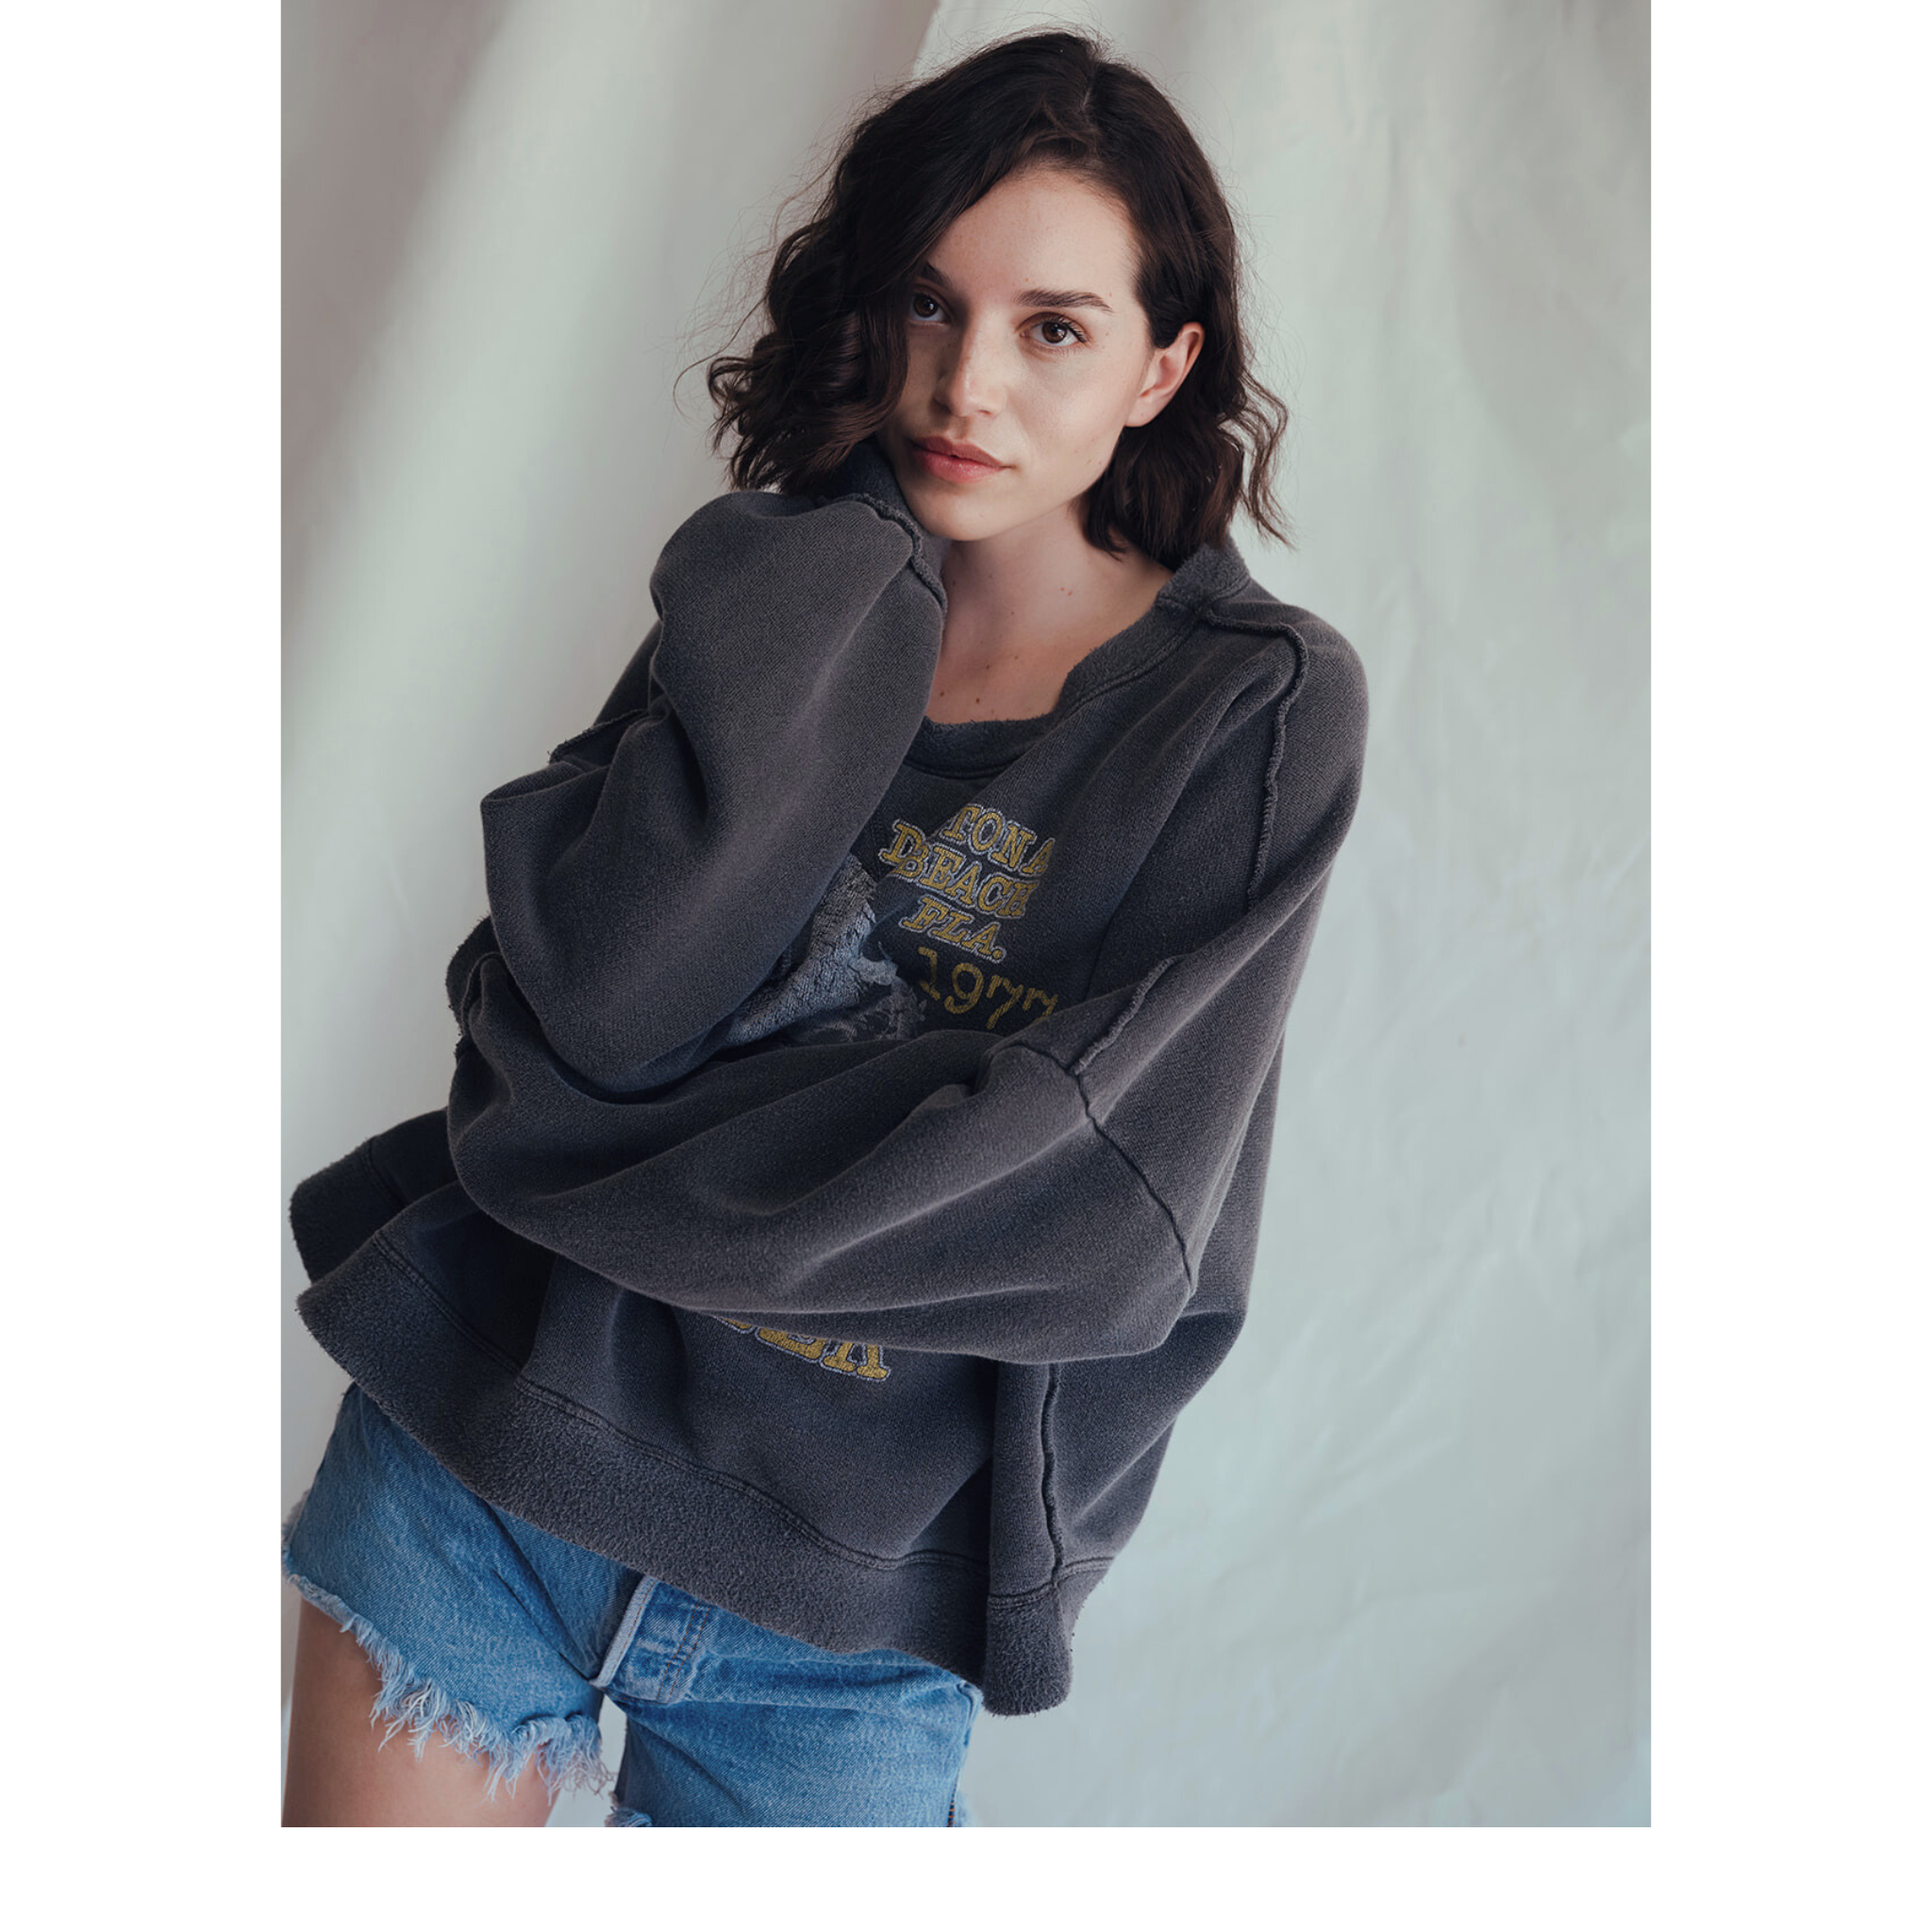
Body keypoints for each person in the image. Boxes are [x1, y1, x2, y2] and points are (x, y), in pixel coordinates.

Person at [281, 27, 1369, 1827]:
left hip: (839, 1619)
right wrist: (841, 548)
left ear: (1166, 365)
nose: (968, 385)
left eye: (1055, 328)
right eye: (928, 308)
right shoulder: (780, 586)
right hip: (485, 1462)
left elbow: (1094, 1220)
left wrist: (599, 1159)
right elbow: (588, 995)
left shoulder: (1249, 715)